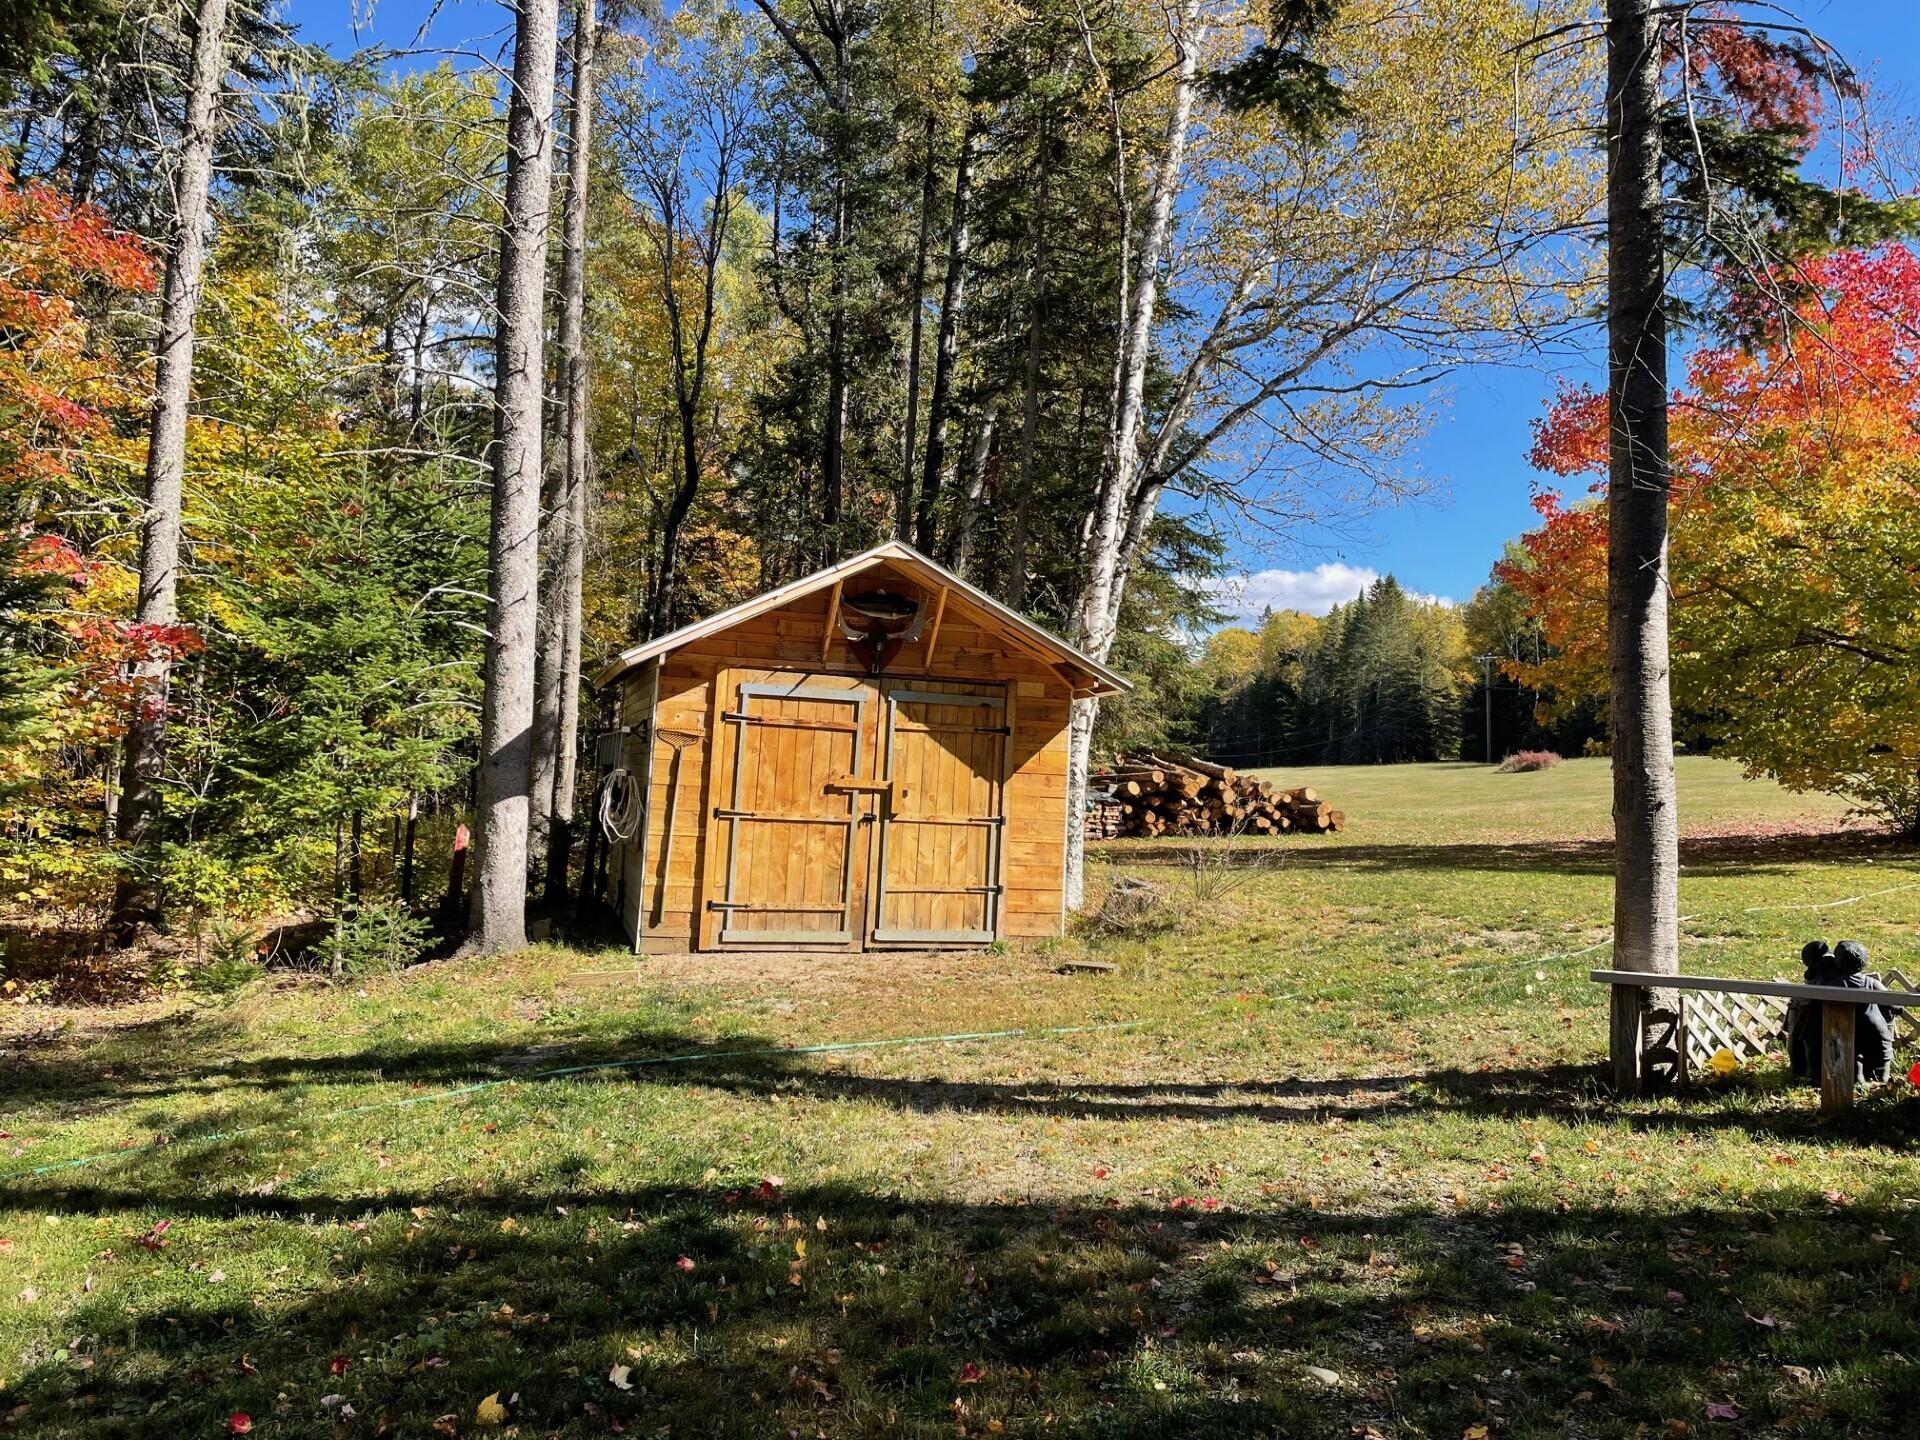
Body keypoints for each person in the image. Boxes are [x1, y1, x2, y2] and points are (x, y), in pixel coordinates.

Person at [1786, 939, 1900, 1084]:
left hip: (1845, 1035)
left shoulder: (1832, 984)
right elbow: (1897, 1006)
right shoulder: (1870, 983)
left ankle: (1814, 1075)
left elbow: (1813, 1007)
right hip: (1877, 1035)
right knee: (1877, 1062)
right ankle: (1877, 1078)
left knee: (1843, 1049)